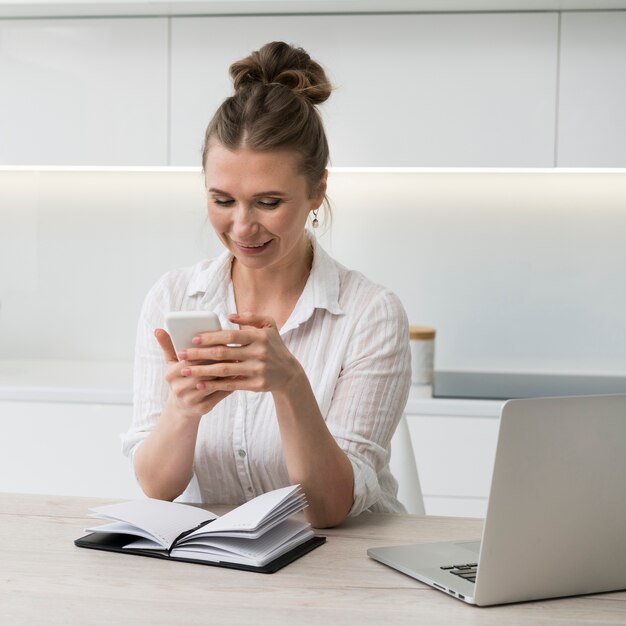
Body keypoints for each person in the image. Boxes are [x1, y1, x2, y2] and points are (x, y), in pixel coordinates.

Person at [121, 41, 411, 528]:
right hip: (216, 562)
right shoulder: (172, 298)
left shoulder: (370, 314)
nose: (241, 228)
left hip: (340, 569)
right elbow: (156, 487)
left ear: (318, 188)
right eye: (222, 199)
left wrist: (290, 385)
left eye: (268, 202)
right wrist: (184, 410)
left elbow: (326, 508)